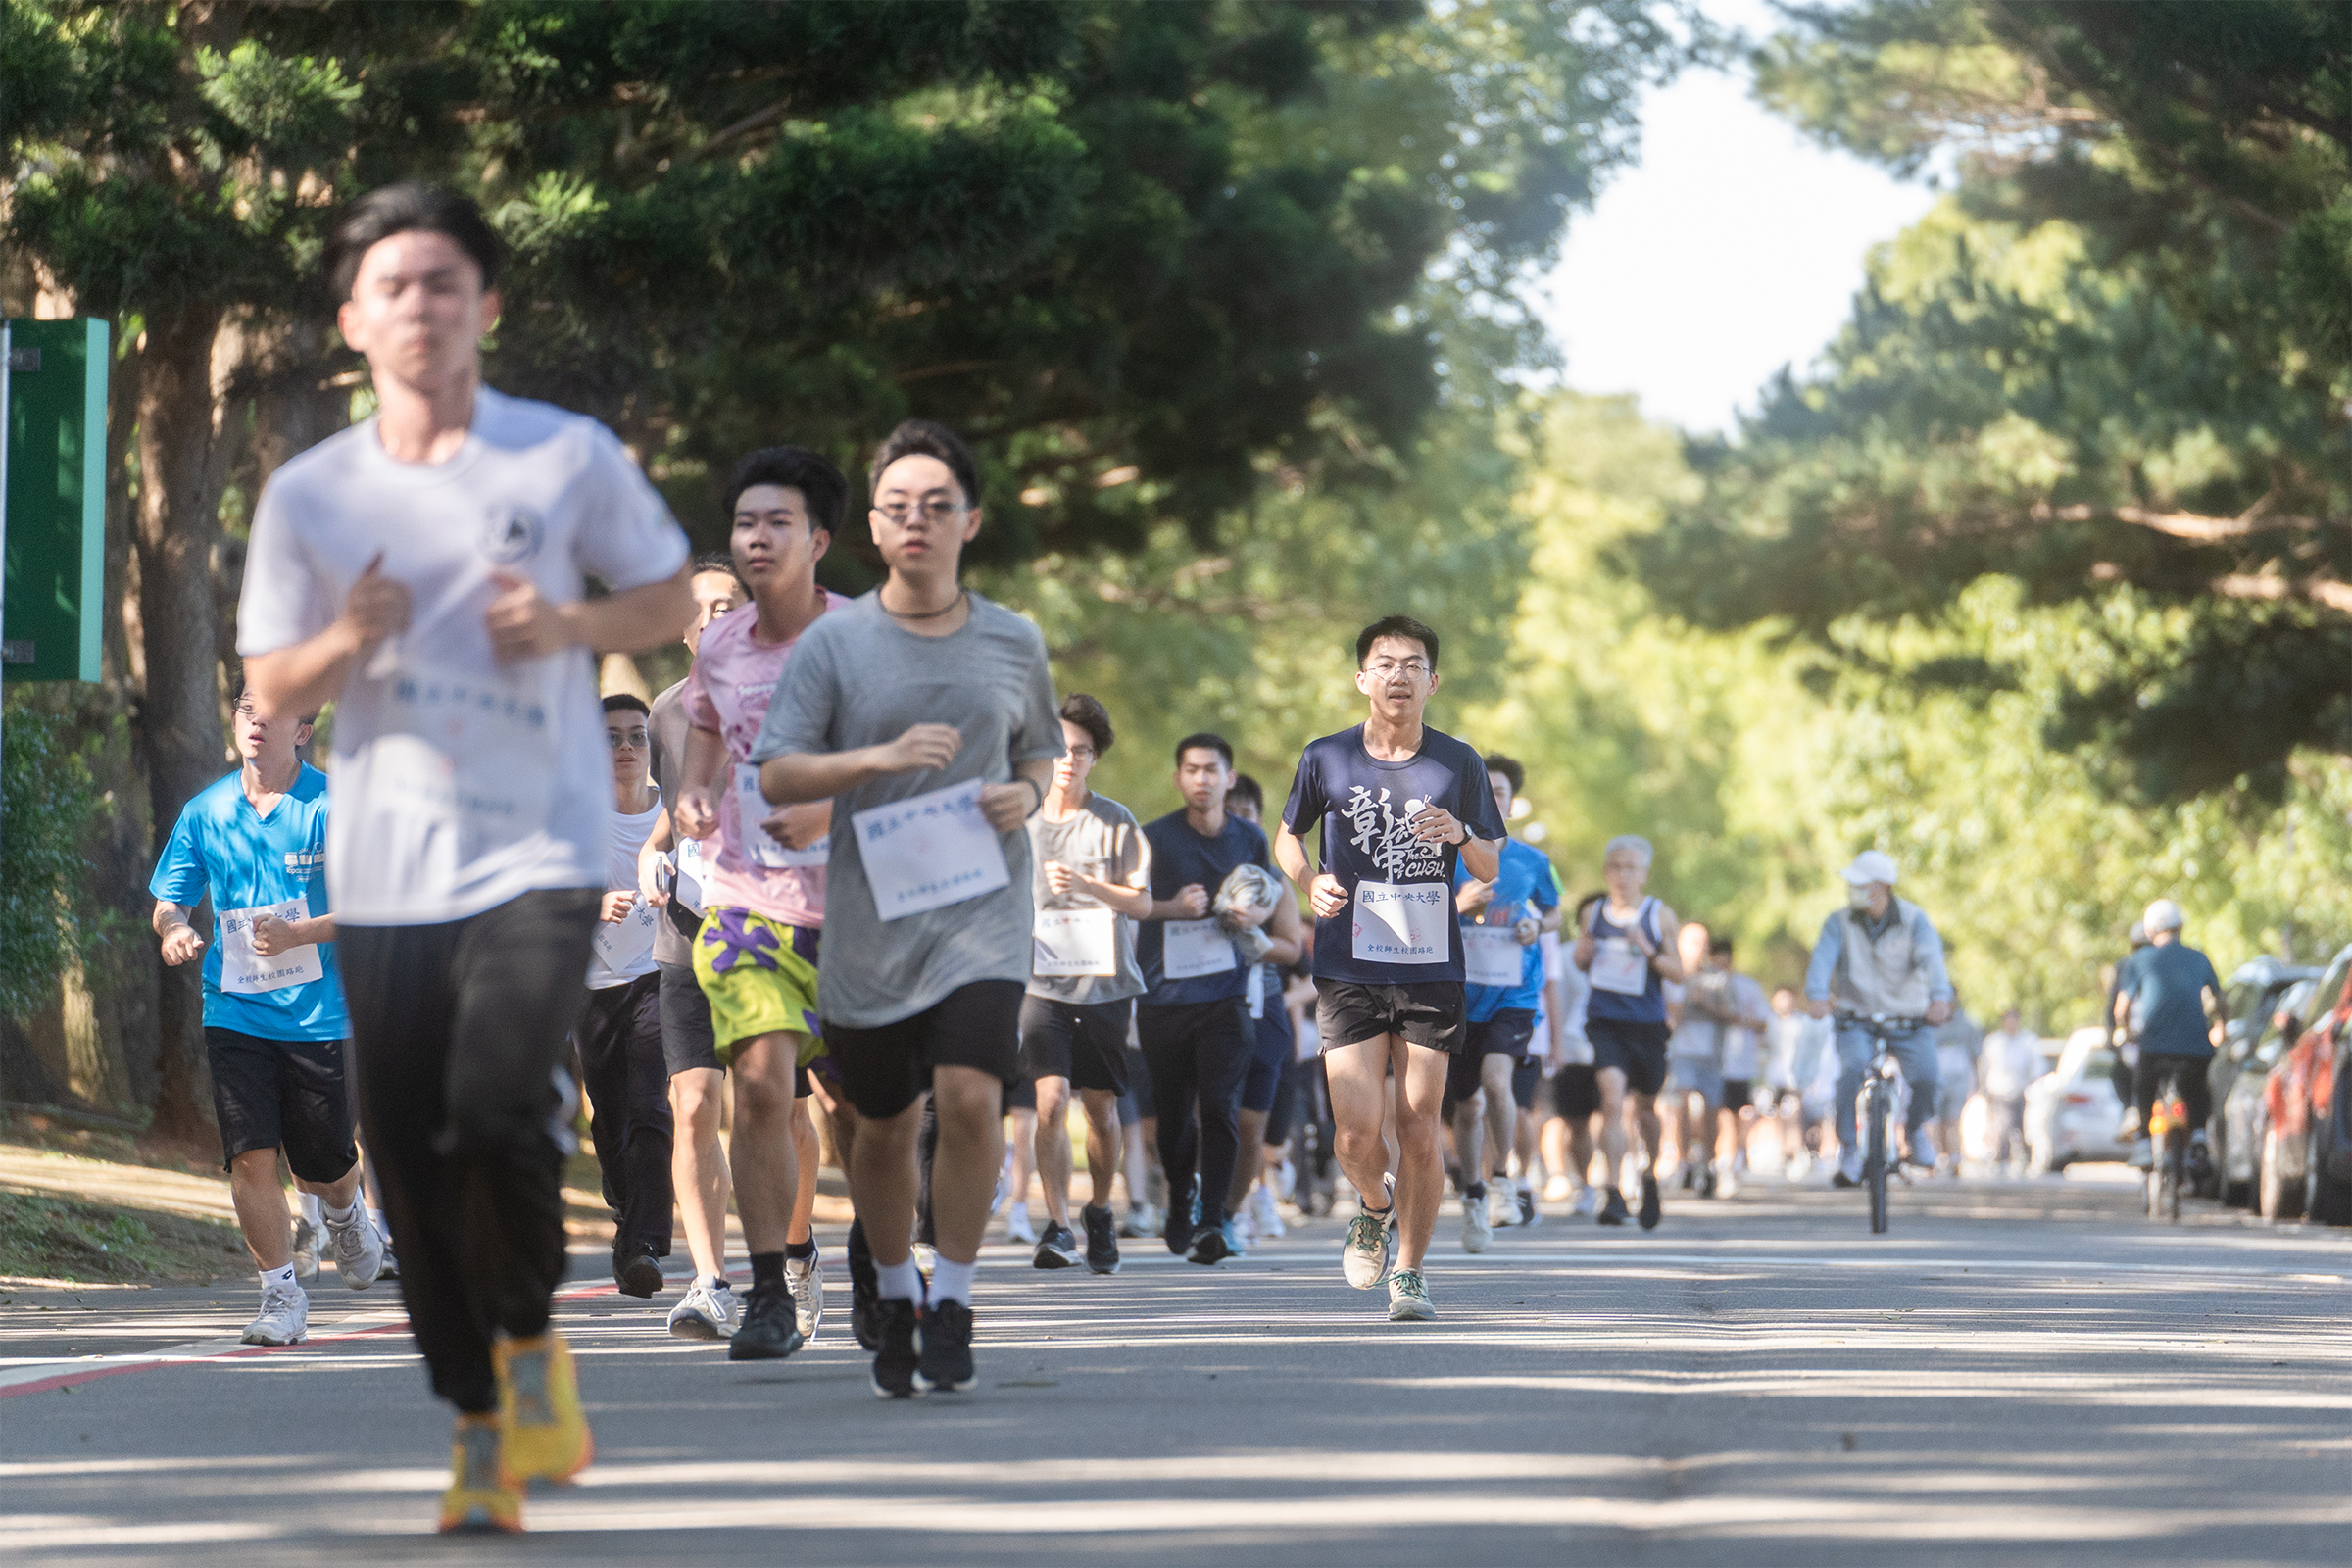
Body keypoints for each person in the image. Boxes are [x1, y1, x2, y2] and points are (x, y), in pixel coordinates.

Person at [239, 183, 693, 1533]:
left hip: (539, 851)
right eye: (393, 285)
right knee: (412, 1156)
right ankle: (483, 1419)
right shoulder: (315, 491)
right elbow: (271, 675)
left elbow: (669, 596)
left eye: (445, 281)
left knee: (499, 1104)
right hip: (385, 867)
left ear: (487, 307)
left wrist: (565, 624)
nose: (420, 305)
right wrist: (347, 637)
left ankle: (531, 1348)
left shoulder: (562, 456)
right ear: (351, 321)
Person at [752, 417, 1062, 1399]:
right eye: (898, 508)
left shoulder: (1015, 640)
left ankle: (957, 1295)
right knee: (881, 1126)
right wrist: (875, 760)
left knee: (970, 1096)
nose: (917, 521)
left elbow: (1042, 748)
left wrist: (1030, 793)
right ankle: (893, 1286)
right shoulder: (837, 643)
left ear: (971, 520)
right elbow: (778, 771)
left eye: (938, 505)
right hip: (871, 919)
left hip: (983, 908)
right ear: (874, 531)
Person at [651, 445, 853, 1362]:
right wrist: (694, 796)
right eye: (744, 523)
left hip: (854, 909)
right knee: (761, 1081)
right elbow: (703, 744)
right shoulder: (720, 650)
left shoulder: (863, 640)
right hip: (744, 902)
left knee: (866, 1116)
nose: (757, 538)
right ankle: (767, 1287)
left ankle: (882, 1273)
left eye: (778, 522)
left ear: (819, 539)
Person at [1275, 615, 1506, 1322]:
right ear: (1363, 679)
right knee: (1354, 1130)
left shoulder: (1458, 763)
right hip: (1348, 960)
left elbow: (1493, 861)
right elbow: (1288, 838)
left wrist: (1462, 833)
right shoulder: (1326, 757)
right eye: (1385, 663)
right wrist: (1306, 880)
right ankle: (1374, 1206)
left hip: (1431, 962)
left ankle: (1409, 1273)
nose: (1399, 674)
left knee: (1418, 1124)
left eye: (1413, 664)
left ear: (1432, 682)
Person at [150, 685, 381, 1348]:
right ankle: (281, 1293)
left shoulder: (333, 807)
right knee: (250, 1158)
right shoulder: (206, 811)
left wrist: (300, 933)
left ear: (303, 731)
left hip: (320, 1018)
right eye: (248, 709)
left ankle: (343, 1205)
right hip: (235, 1012)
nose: (257, 723)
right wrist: (173, 931)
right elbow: (171, 898)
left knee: (319, 1166)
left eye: (273, 714)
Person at [1136, 735, 1302, 1264]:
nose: (1202, 778)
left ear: (1229, 779)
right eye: (1191, 769)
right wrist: (1170, 908)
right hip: (1165, 997)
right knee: (1173, 1116)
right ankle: (1180, 1196)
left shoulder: (1251, 839)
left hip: (1229, 996)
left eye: (1212, 769)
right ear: (1179, 778)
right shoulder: (1154, 838)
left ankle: (1214, 1219)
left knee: (1220, 1105)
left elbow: (1271, 899)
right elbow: (1129, 905)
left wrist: (1252, 919)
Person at [643, 554, 751, 1341]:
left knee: (775, 1105)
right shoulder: (665, 712)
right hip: (685, 933)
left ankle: (794, 1251)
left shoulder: (784, 697)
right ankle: (710, 1281)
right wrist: (652, 850)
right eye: (701, 608)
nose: (713, 618)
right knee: (691, 1105)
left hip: (769, 932)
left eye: (728, 604)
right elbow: (670, 816)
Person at [1021, 693, 1152, 1275]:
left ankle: (1099, 1208)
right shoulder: (1021, 820)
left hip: (1103, 983)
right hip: (1038, 982)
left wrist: (1088, 884)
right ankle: (1058, 1225)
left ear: (1095, 757)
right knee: (1048, 1101)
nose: (1068, 760)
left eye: (1081, 750)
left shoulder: (1116, 821)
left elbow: (1144, 903)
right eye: (1059, 749)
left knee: (1099, 1110)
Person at [573, 695, 675, 1298]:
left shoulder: (672, 813)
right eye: (611, 737)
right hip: (592, 984)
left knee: (650, 1105)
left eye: (637, 736)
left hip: (658, 971)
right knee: (609, 1116)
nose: (627, 748)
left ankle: (643, 1243)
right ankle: (625, 1216)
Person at [1446, 753, 1560, 1251]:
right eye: (1484, 792)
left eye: (1502, 793)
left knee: (1498, 1082)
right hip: (1457, 994)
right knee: (1465, 1105)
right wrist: (1459, 906)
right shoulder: (1444, 856)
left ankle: (1501, 1180)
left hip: (1514, 992)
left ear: (1513, 803)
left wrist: (1537, 925)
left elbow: (1555, 914)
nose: (1493, 800)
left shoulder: (1532, 861)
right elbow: (1418, 917)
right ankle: (1472, 1193)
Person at [1803, 851, 1954, 1189]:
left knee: (1928, 1078)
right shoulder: (1839, 921)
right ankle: (1850, 1149)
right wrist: (1816, 993)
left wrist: (1939, 997)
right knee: (1851, 1071)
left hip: (1909, 1018)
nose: (1851, 889)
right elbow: (1822, 960)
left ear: (1883, 887)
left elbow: (1932, 959)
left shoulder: (1914, 920)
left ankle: (1915, 1130)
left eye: (1860, 883)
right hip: (1856, 1017)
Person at [1573, 837, 1687, 1230]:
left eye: (1631, 868)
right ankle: (1614, 1190)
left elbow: (1678, 972)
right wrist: (1585, 950)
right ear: (1606, 872)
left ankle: (1651, 1175)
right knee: (1612, 1096)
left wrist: (1648, 949)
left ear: (1644, 874)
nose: (1622, 875)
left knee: (1647, 1108)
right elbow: (1580, 961)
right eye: (1616, 867)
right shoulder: (1595, 913)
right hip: (1605, 1020)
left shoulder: (1659, 915)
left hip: (1648, 1024)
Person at [1222, 774, 1306, 1245]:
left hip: (1262, 1010)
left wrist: (1251, 937)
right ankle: (1209, 1202)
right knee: (1210, 1116)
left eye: (1248, 814)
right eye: (1230, 811)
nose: (1238, 821)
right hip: (1204, 1006)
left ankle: (1246, 1203)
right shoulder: (1199, 877)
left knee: (1252, 1123)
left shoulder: (1274, 881)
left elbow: (1293, 950)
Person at [2113, 900, 2227, 1170]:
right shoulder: (2199, 958)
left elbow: (2121, 1008)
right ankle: (2199, 1137)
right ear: (2180, 927)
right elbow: (2220, 1000)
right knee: (2199, 1089)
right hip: (2196, 1047)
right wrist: (2221, 1026)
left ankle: (2143, 1144)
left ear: (2151, 931)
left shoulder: (2140, 960)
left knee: (2144, 1087)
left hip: (2155, 1047)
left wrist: (2125, 1030)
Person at [1542, 892, 1603, 1211]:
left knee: (1618, 1113)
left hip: (1611, 1047)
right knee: (1577, 1123)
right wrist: (1557, 1046)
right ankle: (1586, 1183)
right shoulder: (1564, 956)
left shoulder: (1626, 954)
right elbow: (1557, 1002)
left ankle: (1620, 1178)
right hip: (1576, 1050)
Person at [1662, 920, 1725, 1196]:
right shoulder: (1670, 975)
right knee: (1682, 1105)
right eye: (1693, 942)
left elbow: (1732, 1014)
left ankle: (1709, 1164)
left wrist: (1706, 1004)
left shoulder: (1718, 979)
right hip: (1681, 1051)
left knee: (1712, 1111)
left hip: (1710, 1052)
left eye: (1704, 943)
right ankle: (1685, 1162)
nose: (1700, 949)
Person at [1710, 936, 1768, 1197]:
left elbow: (1763, 1022)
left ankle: (1734, 1160)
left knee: (1735, 1113)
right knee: (1715, 1112)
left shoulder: (1748, 987)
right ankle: (1716, 1161)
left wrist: (1738, 1020)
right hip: (1711, 1058)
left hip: (1739, 1061)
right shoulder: (1704, 987)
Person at [1765, 984, 1834, 1176]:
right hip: (1775, 1076)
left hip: (1796, 1077)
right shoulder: (1769, 1022)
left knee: (1795, 1113)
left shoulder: (1801, 1022)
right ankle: (1784, 1153)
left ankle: (1798, 1151)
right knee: (1780, 1116)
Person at [1978, 1007, 2042, 1170]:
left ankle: (2026, 1157)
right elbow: (1985, 1066)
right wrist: (1983, 1088)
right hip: (1999, 1092)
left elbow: (2036, 1067)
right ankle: (2002, 1158)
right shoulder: (1994, 1042)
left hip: (2021, 1092)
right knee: (2003, 1126)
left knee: (2024, 1127)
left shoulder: (2028, 1041)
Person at [1934, 990, 1983, 1176]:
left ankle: (1954, 1158)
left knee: (1953, 1119)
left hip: (1958, 1079)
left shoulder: (1967, 1026)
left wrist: (1977, 1082)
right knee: (1936, 1120)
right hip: (1937, 1079)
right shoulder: (1932, 1023)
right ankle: (1938, 1157)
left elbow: (1974, 1055)